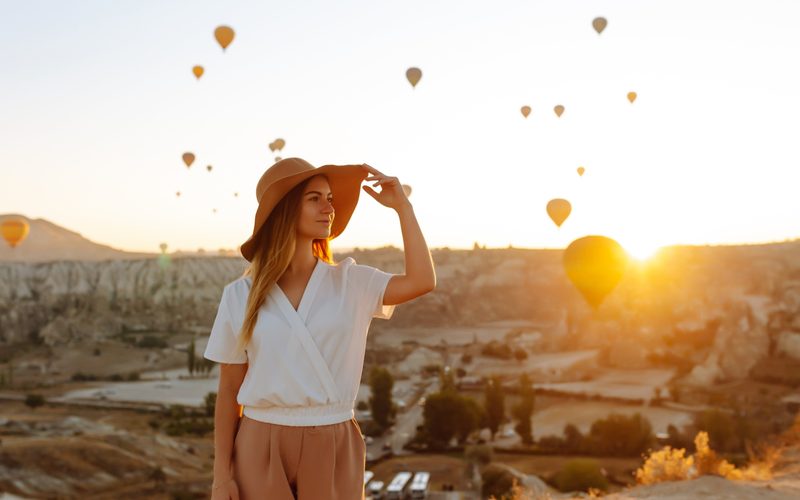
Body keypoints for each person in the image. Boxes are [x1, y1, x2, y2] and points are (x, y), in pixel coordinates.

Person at [205, 158, 436, 499]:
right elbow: (228, 391)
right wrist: (220, 478)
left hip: (334, 439)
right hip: (258, 442)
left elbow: (422, 280)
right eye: (315, 198)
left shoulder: (352, 282)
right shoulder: (240, 295)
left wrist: (404, 208)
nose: (329, 208)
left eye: (329, 198)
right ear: (284, 209)